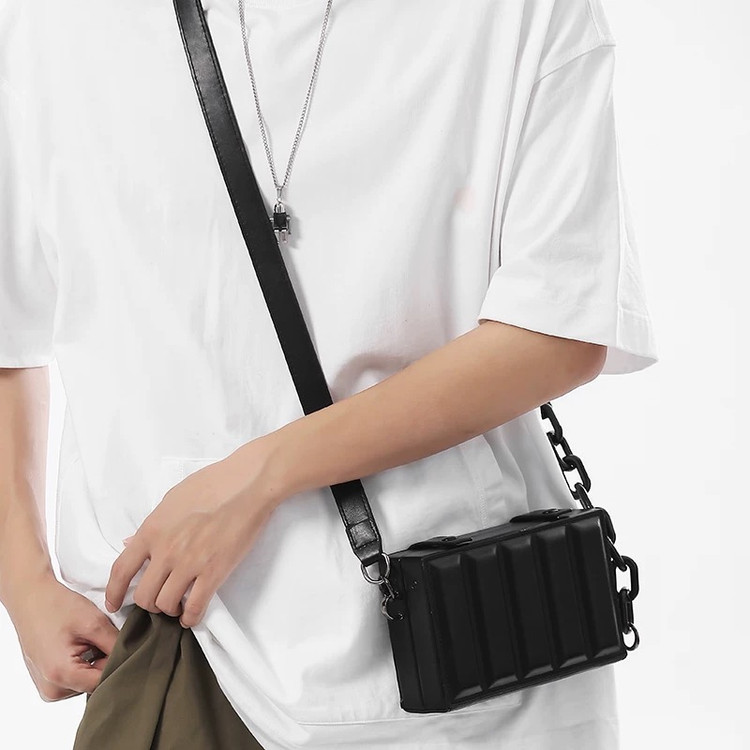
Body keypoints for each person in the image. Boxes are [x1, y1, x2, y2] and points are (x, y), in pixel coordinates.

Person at [0, 0, 659, 748]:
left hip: (468, 652)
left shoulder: (522, 14)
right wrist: (22, 580)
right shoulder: (52, 25)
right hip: (182, 644)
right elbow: (9, 333)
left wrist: (261, 476)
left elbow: (559, 330)